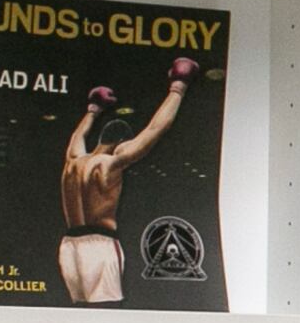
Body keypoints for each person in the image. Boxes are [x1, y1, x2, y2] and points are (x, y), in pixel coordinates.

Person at [58, 55, 197, 304]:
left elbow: (77, 136)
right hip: (99, 245)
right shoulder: (110, 165)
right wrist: (178, 87)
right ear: (121, 143)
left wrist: (93, 111)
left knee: (79, 315)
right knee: (107, 315)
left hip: (69, 247)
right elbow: (156, 129)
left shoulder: (73, 161)